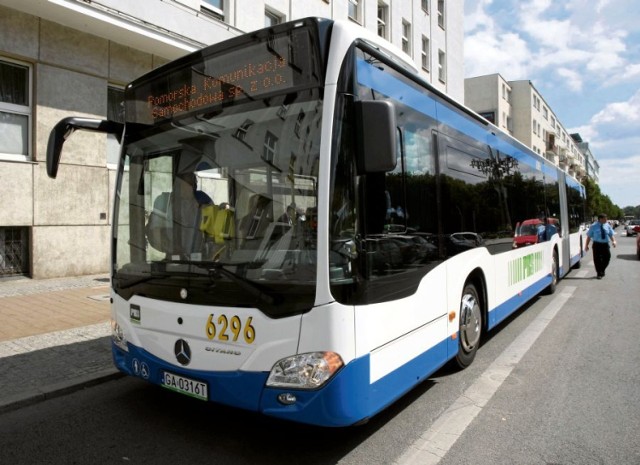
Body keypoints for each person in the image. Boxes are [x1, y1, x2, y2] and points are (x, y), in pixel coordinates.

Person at [584, 213, 617, 279]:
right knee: (597, 259)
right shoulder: (593, 226)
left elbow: (611, 234)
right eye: (605, 219)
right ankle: (599, 273)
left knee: (607, 258)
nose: (606, 220)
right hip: (597, 245)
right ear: (600, 219)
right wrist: (586, 245)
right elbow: (589, 236)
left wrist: (614, 241)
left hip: (605, 245)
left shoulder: (607, 225)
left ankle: (602, 269)